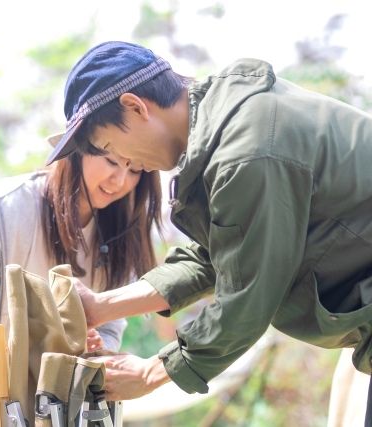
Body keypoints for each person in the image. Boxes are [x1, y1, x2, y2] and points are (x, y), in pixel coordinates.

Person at [46, 40, 372, 423]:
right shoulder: (231, 128)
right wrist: (102, 306)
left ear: (135, 107)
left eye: (108, 145)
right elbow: (219, 256)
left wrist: (153, 372)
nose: (125, 163)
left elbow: (248, 293)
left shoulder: (247, 152)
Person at [0, 142, 162, 426]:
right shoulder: (8, 206)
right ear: (78, 150)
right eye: (111, 161)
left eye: (135, 170)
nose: (119, 181)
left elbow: (109, 323)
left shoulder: (125, 228)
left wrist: (97, 345)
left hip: (57, 390)